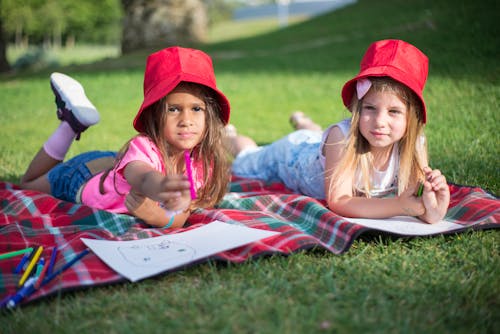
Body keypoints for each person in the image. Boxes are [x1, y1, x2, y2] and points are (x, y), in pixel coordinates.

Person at [226, 39, 450, 224]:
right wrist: (398, 205)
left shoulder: (414, 144)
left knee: (317, 136)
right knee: (247, 158)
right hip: (292, 158)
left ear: (412, 119)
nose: (380, 122)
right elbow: (340, 201)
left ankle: (304, 121)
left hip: (318, 146)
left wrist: (434, 206)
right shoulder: (341, 138)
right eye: (370, 108)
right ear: (356, 108)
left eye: (394, 111)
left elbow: (420, 207)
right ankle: (229, 136)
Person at [19, 46, 231, 228]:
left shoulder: (200, 161)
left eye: (196, 108)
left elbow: (182, 216)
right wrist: (161, 187)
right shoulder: (143, 146)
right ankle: (70, 125)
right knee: (27, 185)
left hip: (112, 165)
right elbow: (142, 176)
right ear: (154, 115)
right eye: (174, 109)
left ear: (209, 113)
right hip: (81, 177)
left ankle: (74, 121)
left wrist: (157, 216)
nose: (186, 120)